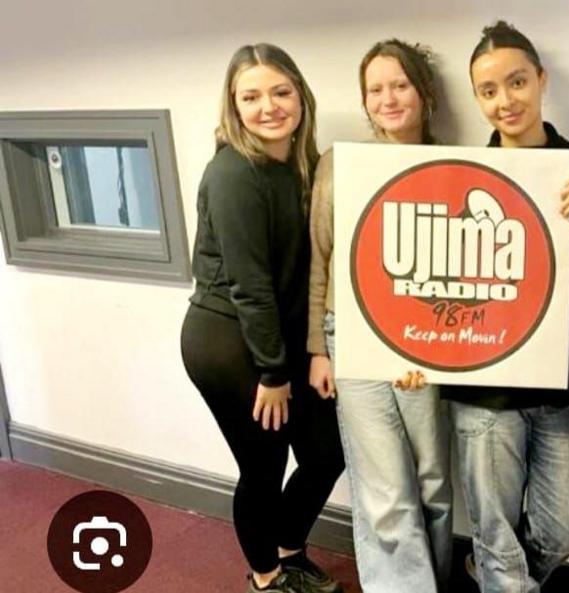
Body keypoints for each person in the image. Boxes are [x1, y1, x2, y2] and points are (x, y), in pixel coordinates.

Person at [441, 20, 569, 593]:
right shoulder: (462, 178)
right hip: (483, 387)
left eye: (516, 82)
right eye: (488, 91)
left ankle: (497, 577)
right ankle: (500, 576)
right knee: (494, 531)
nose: (505, 101)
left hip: (560, 386)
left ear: (541, 80)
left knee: (563, 525)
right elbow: (441, 283)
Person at [180, 43, 345, 593]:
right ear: (234, 105)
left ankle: (287, 548)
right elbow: (250, 287)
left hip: (280, 335)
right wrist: (273, 375)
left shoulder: (297, 165)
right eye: (251, 96)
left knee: (326, 454)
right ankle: (267, 578)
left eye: (280, 91)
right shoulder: (234, 174)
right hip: (229, 343)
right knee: (264, 467)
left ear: (300, 95)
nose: (268, 106)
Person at [306, 39, 453, 593]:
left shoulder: (453, 167)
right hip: (354, 338)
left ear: (423, 92)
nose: (388, 98)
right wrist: (318, 348)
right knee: (385, 492)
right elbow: (320, 258)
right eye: (375, 89)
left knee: (433, 484)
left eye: (399, 84)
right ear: (365, 102)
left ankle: (433, 580)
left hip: (427, 340)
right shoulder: (338, 166)